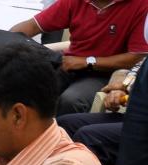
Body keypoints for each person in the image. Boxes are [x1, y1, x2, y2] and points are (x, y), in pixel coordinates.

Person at [9, 0, 147, 115]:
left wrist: (87, 61)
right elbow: (31, 26)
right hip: (70, 63)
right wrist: (0, 44)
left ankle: (60, 144)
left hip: (107, 74)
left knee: (71, 100)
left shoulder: (141, 5)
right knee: (24, 85)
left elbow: (136, 57)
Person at [58, 58, 143, 165]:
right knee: (65, 124)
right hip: (137, 117)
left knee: (89, 137)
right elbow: (135, 70)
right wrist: (122, 88)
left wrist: (127, 87)